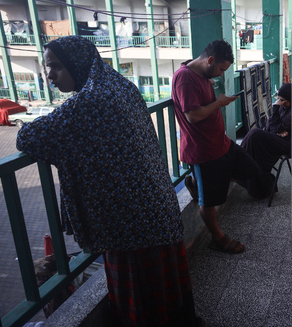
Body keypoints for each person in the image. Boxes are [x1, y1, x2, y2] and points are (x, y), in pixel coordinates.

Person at [16, 36, 202, 326]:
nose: (49, 75)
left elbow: (27, 136)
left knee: (141, 294)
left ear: (76, 64)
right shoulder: (119, 86)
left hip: (130, 223)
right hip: (156, 206)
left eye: (55, 66)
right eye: (46, 67)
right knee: (165, 287)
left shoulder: (90, 101)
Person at [172, 39, 261, 254]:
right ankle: (218, 238)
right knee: (209, 202)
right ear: (210, 60)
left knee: (250, 170)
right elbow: (192, 116)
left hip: (220, 143)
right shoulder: (184, 78)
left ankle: (195, 182)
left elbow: (199, 98)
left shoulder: (200, 74)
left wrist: (208, 86)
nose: (221, 75)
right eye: (220, 69)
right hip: (203, 151)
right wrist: (218, 103)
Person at [240, 82, 292, 194]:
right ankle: (251, 176)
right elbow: (270, 125)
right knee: (255, 140)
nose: (281, 103)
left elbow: (274, 127)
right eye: (279, 99)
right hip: (283, 140)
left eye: (283, 100)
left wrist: (275, 111)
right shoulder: (288, 107)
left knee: (255, 134)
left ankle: (243, 168)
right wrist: (278, 130)